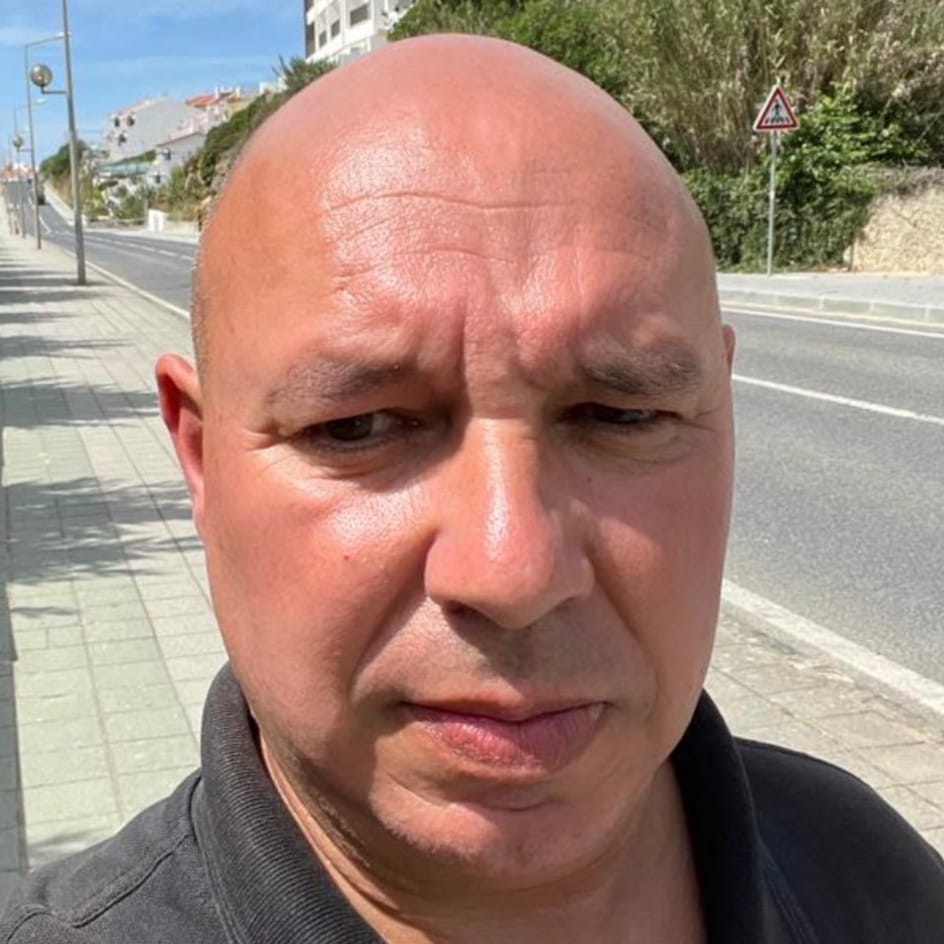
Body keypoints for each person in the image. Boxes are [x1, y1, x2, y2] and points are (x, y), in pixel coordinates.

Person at [1, 34, 942, 944]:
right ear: (202, 460)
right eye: (358, 428)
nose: (513, 571)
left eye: (621, 415)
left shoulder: (866, 871)